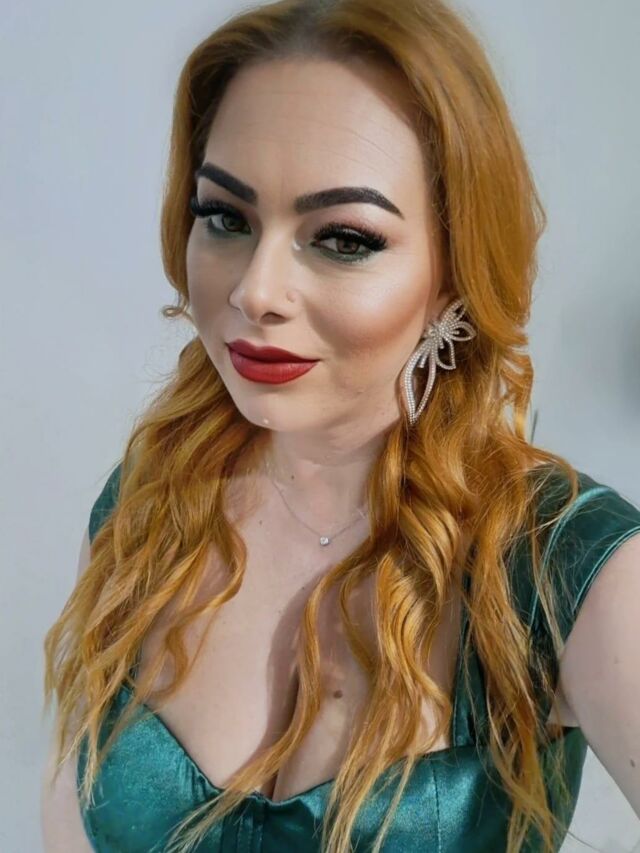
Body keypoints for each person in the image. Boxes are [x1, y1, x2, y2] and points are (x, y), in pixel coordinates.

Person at [40, 0, 640, 851]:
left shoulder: (568, 567)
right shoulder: (145, 509)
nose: (255, 290)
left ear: (455, 269)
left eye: (344, 239)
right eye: (227, 218)